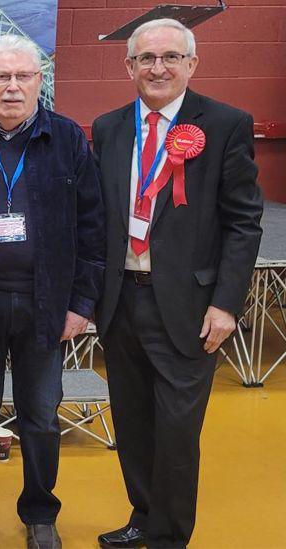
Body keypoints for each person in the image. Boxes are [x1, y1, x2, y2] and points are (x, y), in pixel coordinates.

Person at [91, 18, 262, 549]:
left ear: (192, 63)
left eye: (169, 57)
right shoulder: (108, 127)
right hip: (121, 302)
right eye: (145, 58)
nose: (157, 68)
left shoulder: (227, 123)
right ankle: (142, 517)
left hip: (190, 307)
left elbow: (242, 221)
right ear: (129, 66)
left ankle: (169, 537)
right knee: (134, 424)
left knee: (178, 433)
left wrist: (227, 304)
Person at [0, 35, 105, 549]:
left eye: (23, 76)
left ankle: (39, 512)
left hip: (45, 301)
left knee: (40, 415)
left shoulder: (68, 137)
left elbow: (92, 224)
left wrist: (81, 303)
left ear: (39, 80)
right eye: (0, 77)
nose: (12, 87)